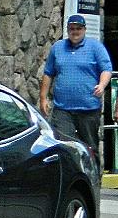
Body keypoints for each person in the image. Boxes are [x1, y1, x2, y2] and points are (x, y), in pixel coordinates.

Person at [40, 14, 113, 166]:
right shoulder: (58, 48)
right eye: (72, 28)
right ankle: (70, 183)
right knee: (65, 148)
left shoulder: (96, 47)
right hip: (63, 109)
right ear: (67, 30)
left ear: (84, 29)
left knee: (90, 147)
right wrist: (43, 98)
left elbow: (106, 69)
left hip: (88, 108)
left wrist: (102, 85)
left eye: (78, 28)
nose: (75, 31)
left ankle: (94, 182)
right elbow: (48, 73)